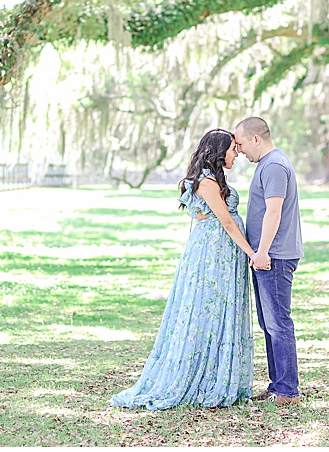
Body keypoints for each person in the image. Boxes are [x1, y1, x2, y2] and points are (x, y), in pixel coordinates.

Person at [110, 129, 257, 411]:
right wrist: (252, 253)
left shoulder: (214, 178)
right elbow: (226, 222)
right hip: (214, 254)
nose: (236, 153)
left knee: (219, 312)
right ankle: (200, 377)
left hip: (224, 254)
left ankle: (219, 374)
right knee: (207, 309)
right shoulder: (206, 181)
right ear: (218, 151)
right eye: (232, 149)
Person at [233, 117, 303, 406]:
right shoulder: (268, 163)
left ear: (256, 139)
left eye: (240, 144)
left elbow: (273, 211)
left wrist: (261, 252)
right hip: (268, 255)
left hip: (273, 255)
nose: (238, 151)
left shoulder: (273, 165)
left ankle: (287, 390)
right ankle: (278, 386)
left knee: (278, 323)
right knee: (269, 322)